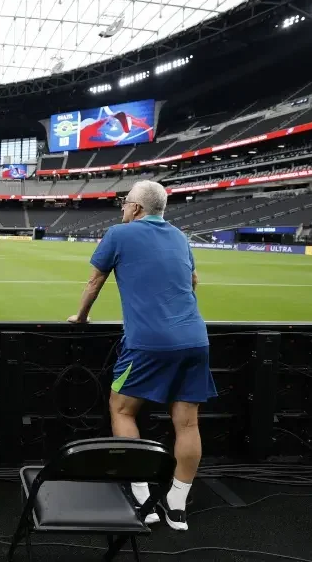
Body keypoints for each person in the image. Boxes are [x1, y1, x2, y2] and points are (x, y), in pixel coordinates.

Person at [67, 179, 215, 532]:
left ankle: (139, 493)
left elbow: (94, 282)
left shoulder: (120, 234)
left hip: (149, 342)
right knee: (188, 423)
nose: (121, 208)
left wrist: (81, 317)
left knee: (122, 408)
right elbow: (193, 281)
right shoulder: (180, 236)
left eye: (124, 202)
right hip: (195, 338)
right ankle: (176, 504)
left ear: (135, 208)